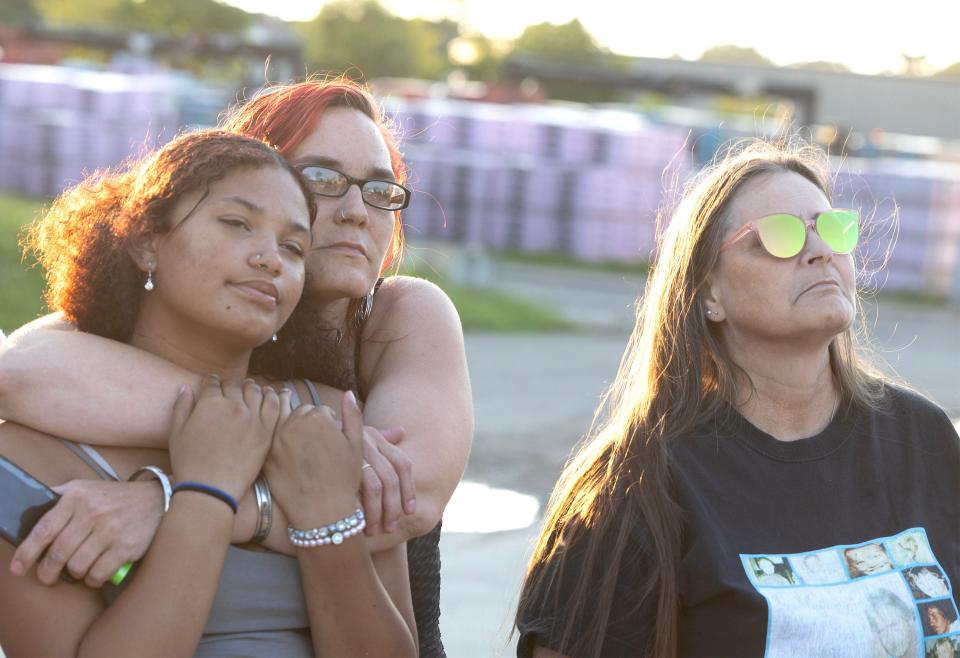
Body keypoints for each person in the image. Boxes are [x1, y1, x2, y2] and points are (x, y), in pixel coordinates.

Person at [0, 78, 472, 656]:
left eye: (381, 188)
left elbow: (402, 497)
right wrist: (246, 444)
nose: (355, 211)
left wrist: (168, 499)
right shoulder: (60, 404)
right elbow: (17, 371)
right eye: (321, 179)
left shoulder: (393, 327)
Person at [515, 138, 960, 657]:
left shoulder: (921, 437)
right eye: (779, 236)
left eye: (833, 228)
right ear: (708, 293)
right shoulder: (636, 485)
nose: (820, 250)